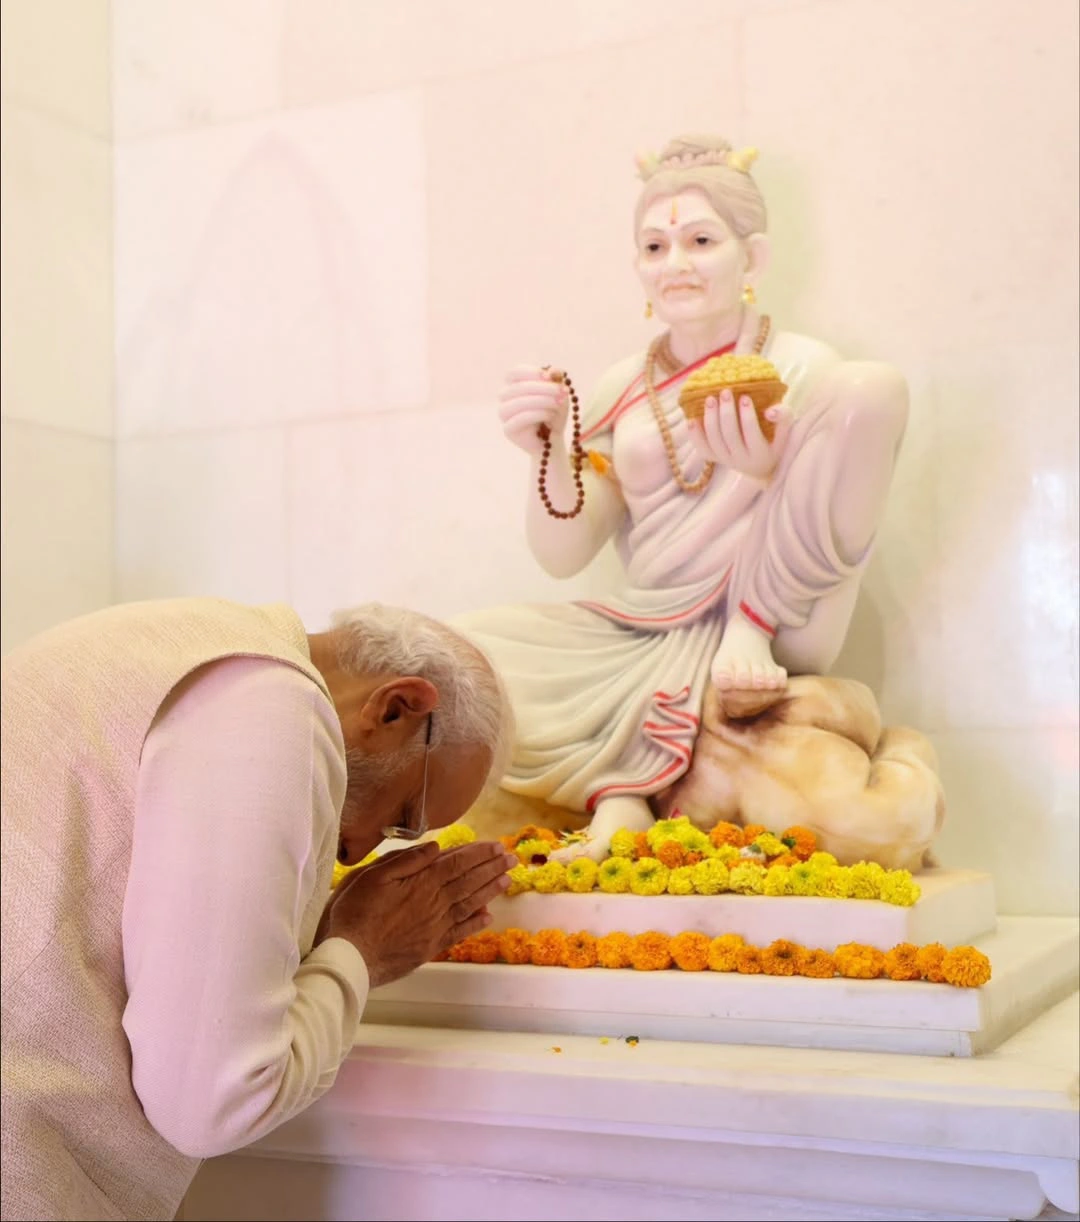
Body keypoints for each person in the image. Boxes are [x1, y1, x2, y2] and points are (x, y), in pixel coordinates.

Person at [456, 134, 909, 859]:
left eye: (700, 240)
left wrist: (769, 473)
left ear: (751, 259)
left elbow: (833, 499)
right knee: (462, 652)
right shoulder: (619, 388)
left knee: (871, 388)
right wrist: (546, 450)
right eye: (655, 247)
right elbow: (565, 554)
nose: (677, 265)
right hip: (644, 622)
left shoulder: (800, 366)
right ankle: (626, 797)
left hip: (769, 619)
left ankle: (733, 643)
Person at [0, 596, 516, 1221]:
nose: (359, 850)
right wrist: (359, 953)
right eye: (404, 817)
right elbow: (208, 1103)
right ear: (396, 707)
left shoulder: (182, 640)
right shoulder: (275, 704)